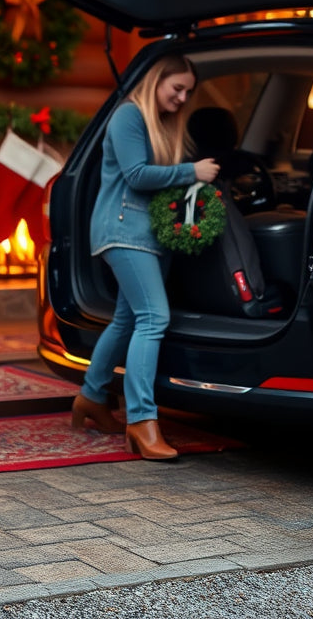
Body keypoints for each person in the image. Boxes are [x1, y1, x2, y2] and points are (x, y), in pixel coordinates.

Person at [70, 55, 220, 460]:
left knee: (126, 319)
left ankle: (91, 397)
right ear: (157, 80)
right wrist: (192, 171)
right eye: (177, 88)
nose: (182, 97)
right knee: (155, 317)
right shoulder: (128, 116)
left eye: (188, 91)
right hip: (123, 231)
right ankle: (141, 420)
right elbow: (136, 175)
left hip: (148, 235)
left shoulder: (165, 123)